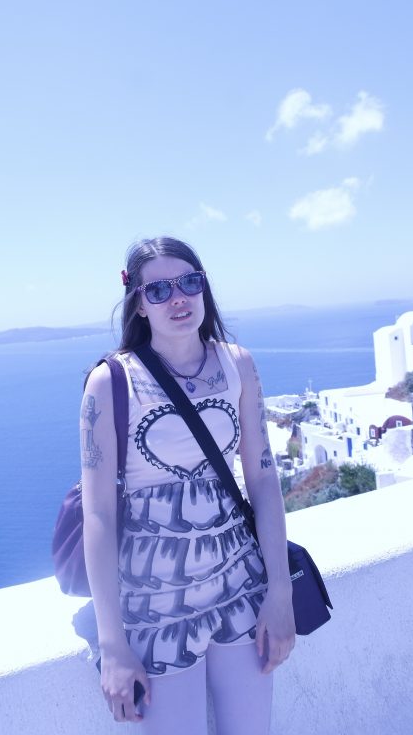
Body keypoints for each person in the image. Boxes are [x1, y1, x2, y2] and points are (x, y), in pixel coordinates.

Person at [80, 237, 295, 735]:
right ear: (138, 303)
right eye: (159, 290)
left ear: (204, 288)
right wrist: (113, 645)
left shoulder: (238, 364)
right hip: (155, 602)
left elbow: (263, 480)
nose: (178, 299)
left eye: (189, 283)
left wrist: (280, 592)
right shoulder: (111, 381)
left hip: (240, 583)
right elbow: (98, 515)